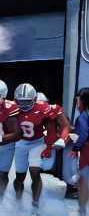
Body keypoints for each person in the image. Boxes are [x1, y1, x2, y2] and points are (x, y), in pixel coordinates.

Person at [12, 83, 70, 214]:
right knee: (20, 174)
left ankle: (35, 203)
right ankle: (17, 202)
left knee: (34, 170)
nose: (23, 104)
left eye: (27, 101)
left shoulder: (44, 108)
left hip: (37, 142)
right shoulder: (10, 107)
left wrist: (61, 139)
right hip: (21, 142)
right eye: (21, 101)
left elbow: (65, 125)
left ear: (34, 99)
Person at [69, 87, 89, 216]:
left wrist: (75, 149)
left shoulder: (83, 116)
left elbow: (83, 134)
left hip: (87, 150)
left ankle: (82, 210)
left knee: (81, 180)